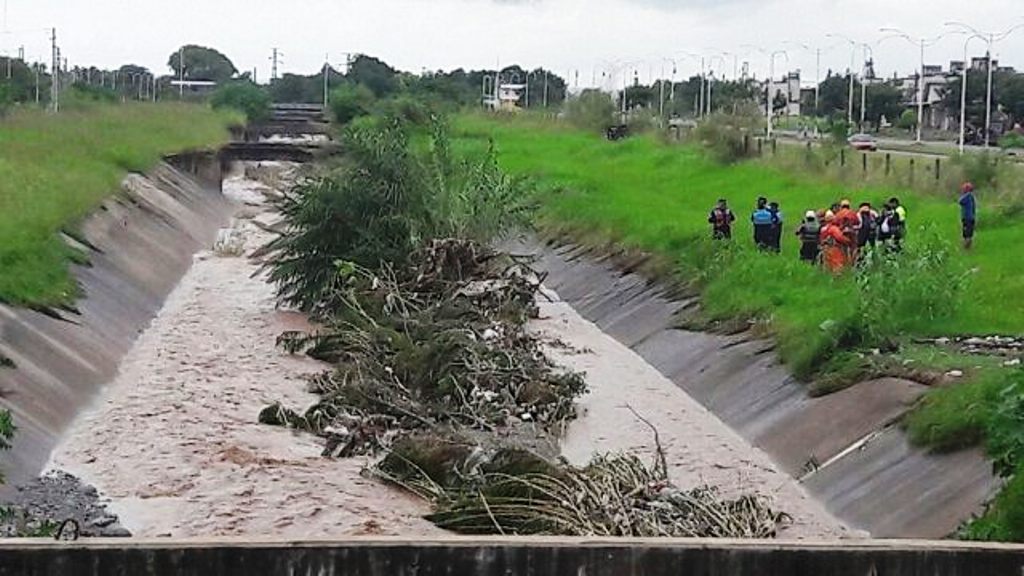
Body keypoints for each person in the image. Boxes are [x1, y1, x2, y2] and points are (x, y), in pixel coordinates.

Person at [959, 182, 977, 250]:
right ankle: (968, 247)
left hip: (967, 218)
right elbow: (974, 208)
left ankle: (966, 247)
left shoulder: (968, 196)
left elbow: (960, 201)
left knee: (966, 233)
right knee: (969, 233)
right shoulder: (972, 197)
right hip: (971, 218)